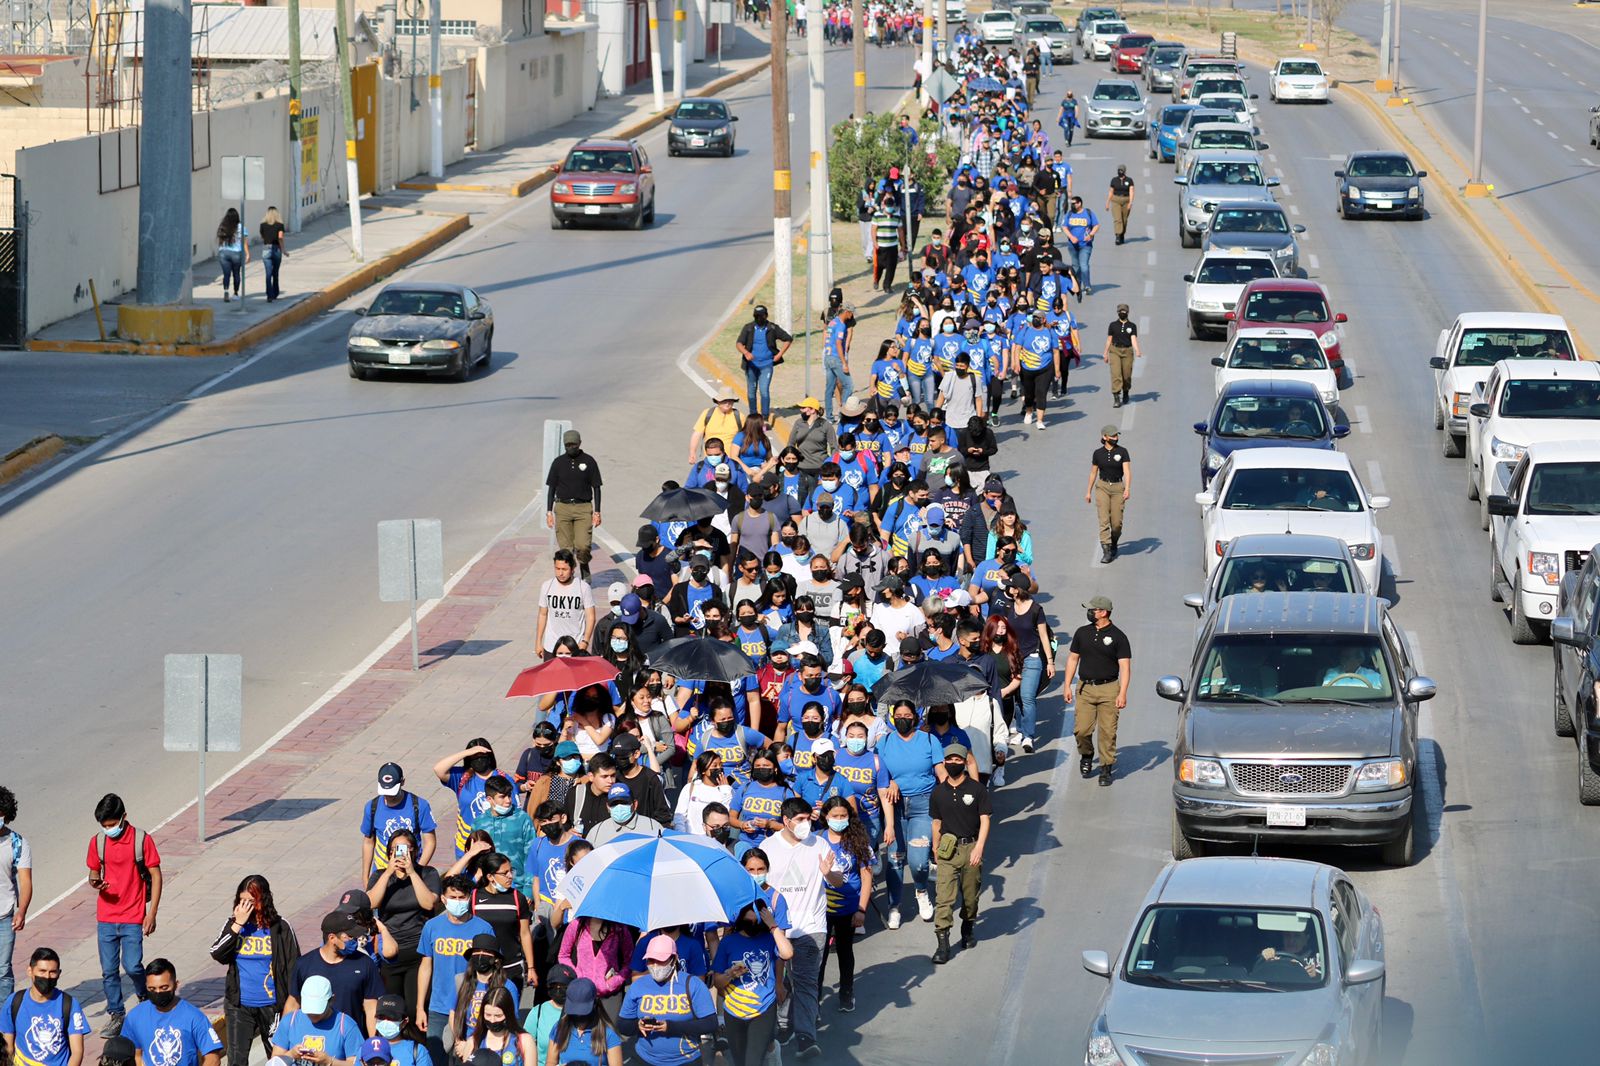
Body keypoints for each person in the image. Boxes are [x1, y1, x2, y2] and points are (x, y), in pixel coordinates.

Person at [761, 798, 837, 1059]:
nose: (806, 824)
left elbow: (837, 879)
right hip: (777, 929)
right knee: (779, 982)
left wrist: (829, 874)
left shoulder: (820, 843)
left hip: (811, 927)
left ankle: (806, 1036)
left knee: (805, 981)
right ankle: (783, 1024)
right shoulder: (768, 847)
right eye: (800, 820)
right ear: (786, 821)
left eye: (809, 819)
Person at [86, 793, 161, 1036]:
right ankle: (116, 1014)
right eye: (104, 826)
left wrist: (152, 913)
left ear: (123, 818)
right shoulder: (98, 842)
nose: (108, 829)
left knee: (132, 965)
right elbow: (93, 873)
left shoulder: (141, 840)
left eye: (112, 824)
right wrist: (95, 882)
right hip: (106, 916)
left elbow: (156, 876)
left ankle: (143, 994)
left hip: (133, 916)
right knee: (109, 971)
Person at [208, 875, 300, 1065]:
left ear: (263, 900)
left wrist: (290, 1008)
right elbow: (217, 953)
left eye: (252, 901)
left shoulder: (280, 927)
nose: (247, 907)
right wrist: (237, 925)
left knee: (277, 1058)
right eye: (243, 901)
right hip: (239, 1006)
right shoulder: (233, 925)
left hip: (272, 1005)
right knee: (236, 1060)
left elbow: (295, 968)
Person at [877, 701, 946, 930]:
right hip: (894, 807)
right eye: (899, 715)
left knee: (918, 860)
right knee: (895, 859)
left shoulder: (929, 740)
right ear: (893, 718)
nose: (903, 718)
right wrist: (892, 782)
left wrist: (952, 794)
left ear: (915, 718)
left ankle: (922, 890)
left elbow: (940, 771)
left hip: (922, 805)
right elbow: (881, 773)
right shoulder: (885, 742)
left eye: (908, 715)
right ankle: (894, 907)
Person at [415, 876, 492, 1063]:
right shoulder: (432, 926)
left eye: (462, 897)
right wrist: (420, 1007)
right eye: (453, 897)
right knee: (436, 1059)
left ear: (470, 898)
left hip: (472, 1008)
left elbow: (491, 970)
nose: (457, 902)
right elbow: (426, 966)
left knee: (467, 1060)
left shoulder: (484, 928)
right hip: (438, 1008)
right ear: (443, 898)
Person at [928, 744, 992, 964]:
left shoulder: (977, 790)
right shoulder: (938, 792)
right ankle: (943, 945)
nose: (953, 763)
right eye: (949, 760)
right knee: (943, 898)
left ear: (965, 763)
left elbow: (985, 819)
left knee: (970, 896)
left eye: (958, 760)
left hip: (970, 848)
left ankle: (968, 926)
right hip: (948, 850)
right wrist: (935, 847)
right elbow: (936, 822)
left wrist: (979, 847)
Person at [711, 898, 792, 1066]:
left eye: (757, 920)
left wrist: (773, 926)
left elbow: (787, 953)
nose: (753, 924)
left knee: (753, 1061)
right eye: (749, 920)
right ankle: (772, 1048)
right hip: (734, 1011)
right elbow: (717, 982)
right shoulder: (728, 942)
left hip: (763, 1008)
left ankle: (770, 1048)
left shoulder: (769, 938)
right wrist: (730, 974)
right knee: (740, 1061)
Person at [367, 828, 440, 1016]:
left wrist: (412, 872)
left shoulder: (427, 873)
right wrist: (388, 872)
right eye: (395, 849)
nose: (399, 853)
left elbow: (428, 903)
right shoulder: (380, 876)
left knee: (415, 1008)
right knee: (392, 1011)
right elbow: (371, 902)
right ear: (389, 852)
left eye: (405, 849)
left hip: (419, 951)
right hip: (390, 952)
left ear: (414, 851)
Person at [1064, 596, 1133, 786]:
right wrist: (1067, 685)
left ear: (1103, 612)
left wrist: (1122, 693)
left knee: (1107, 732)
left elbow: (1125, 667)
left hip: (1109, 689)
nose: (1090, 612)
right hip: (1085, 688)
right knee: (1081, 730)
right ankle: (1086, 754)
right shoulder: (1082, 633)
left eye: (1093, 610)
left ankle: (1105, 767)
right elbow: (1072, 659)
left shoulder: (1119, 637)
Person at [615, 935, 717, 1065]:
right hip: (645, 1060)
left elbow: (711, 1023)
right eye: (650, 960)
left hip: (686, 1060)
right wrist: (637, 1025)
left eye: (660, 960)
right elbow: (623, 1025)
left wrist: (671, 1027)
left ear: (674, 959)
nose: (655, 965)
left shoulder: (693, 984)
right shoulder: (638, 986)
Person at [286, 910, 384, 1039]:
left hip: (351, 1039)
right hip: (312, 1039)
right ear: (332, 938)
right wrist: (283, 1040)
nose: (355, 939)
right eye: (349, 936)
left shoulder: (364, 963)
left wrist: (373, 1043)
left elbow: (371, 1007)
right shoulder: (304, 965)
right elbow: (293, 1003)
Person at [817, 799, 872, 1013]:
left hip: (848, 908)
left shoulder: (857, 841)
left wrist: (861, 910)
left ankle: (846, 992)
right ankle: (815, 997)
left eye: (843, 816)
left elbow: (866, 878)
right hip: (820, 909)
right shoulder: (816, 840)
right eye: (835, 816)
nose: (839, 820)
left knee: (844, 951)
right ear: (826, 816)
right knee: (819, 956)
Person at [121, 960, 222, 1066]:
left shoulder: (194, 1017)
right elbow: (135, 1055)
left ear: (176, 985)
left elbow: (213, 1058)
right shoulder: (135, 1016)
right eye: (152, 989)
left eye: (164, 988)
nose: (158, 992)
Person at [0, 947, 88, 1066]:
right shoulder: (14, 1001)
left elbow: (77, 1052)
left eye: (52, 972)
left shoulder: (69, 1004)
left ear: (59, 973)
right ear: (30, 971)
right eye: (42, 971)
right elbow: (8, 1048)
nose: (47, 977)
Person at [1001, 575, 1053, 753]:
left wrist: (1050, 662)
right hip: (1012, 658)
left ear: (1017, 590)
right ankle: (1021, 731)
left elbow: (1044, 636)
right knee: (1016, 698)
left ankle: (1029, 736)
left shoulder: (1036, 610)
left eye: (1011, 587)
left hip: (1032, 657)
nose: (1008, 589)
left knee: (1027, 697)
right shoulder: (1009, 607)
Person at [362, 763, 439, 880]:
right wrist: (365, 877)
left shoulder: (419, 805)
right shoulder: (372, 807)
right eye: (384, 791)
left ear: (402, 782)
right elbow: (368, 842)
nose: (387, 796)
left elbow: (430, 842)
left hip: (410, 871)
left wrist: (417, 871)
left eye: (392, 791)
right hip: (382, 873)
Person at [544, 431, 603, 580]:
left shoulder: (589, 461)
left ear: (580, 443)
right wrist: (549, 512)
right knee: (566, 549)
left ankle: (584, 564)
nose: (571, 447)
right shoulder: (558, 463)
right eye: (568, 445)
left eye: (573, 445)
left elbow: (596, 487)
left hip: (583, 508)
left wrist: (597, 512)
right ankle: (569, 577)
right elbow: (551, 488)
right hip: (563, 508)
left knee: (583, 546)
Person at [271, 976, 363, 1066]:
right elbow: (274, 1062)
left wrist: (329, 1062)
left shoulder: (346, 1025)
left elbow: (358, 1063)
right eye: (309, 1009)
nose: (312, 1014)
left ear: (332, 1000)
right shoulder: (290, 1021)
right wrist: (291, 1055)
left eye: (317, 1010)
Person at [555, 917, 633, 1023]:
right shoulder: (577, 925)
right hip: (581, 991)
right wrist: (577, 976)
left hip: (610, 994)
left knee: (607, 1035)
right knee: (578, 1033)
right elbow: (563, 956)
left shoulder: (620, 929)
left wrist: (613, 982)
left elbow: (630, 961)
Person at [543, 977, 621, 1065]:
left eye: (582, 1011)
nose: (578, 1015)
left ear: (595, 1004)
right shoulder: (559, 1028)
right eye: (575, 1010)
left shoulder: (608, 1033)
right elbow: (551, 1062)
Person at [735, 306, 793, 419]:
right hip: (751, 366)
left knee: (764, 390)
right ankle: (753, 415)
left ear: (766, 316)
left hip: (766, 365)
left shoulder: (772, 328)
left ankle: (764, 417)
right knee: (751, 391)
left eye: (761, 316)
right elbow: (739, 343)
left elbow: (788, 339)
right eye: (756, 317)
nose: (759, 319)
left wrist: (779, 354)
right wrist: (746, 353)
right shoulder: (748, 328)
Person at [536, 551, 596, 659]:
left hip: (575, 647)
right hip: (551, 647)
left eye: (564, 569)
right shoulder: (546, 586)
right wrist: (538, 641)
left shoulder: (583, 588)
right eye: (557, 569)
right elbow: (542, 614)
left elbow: (590, 616)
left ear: (572, 569)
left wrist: (585, 641)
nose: (560, 573)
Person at [0, 785, 29, 1003]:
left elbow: (25, 881)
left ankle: (3, 1021)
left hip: (5, 915)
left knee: (2, 971)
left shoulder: (18, 844)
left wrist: (22, 910)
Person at [1085, 425, 1132, 563]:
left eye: (1117, 436)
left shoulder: (1123, 452)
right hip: (1102, 487)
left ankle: (1114, 541)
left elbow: (1127, 471)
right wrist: (1088, 491)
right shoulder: (1097, 453)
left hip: (1118, 487)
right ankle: (1106, 551)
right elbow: (1093, 472)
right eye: (1112, 436)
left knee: (1116, 523)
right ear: (1105, 437)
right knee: (1104, 520)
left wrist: (1127, 488)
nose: (1115, 438)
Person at [585, 782, 663, 848]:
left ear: (635, 804)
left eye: (624, 802)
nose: (619, 806)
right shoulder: (596, 833)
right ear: (608, 807)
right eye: (614, 803)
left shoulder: (653, 827)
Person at [524, 965, 572, 1066]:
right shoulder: (537, 1012)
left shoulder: (580, 1013)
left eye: (563, 986)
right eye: (554, 986)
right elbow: (524, 1047)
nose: (558, 989)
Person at [1104, 303, 1141, 409]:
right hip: (1115, 350)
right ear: (1117, 313)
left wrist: (1137, 350)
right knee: (1116, 374)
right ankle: (1116, 397)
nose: (1122, 313)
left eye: (1124, 311)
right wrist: (1105, 353)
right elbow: (1109, 340)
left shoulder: (1132, 326)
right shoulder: (1112, 325)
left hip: (1127, 351)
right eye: (1120, 312)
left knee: (1126, 375)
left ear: (1127, 313)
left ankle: (1126, 391)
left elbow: (1133, 339)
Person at [822, 307, 856, 423]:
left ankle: (829, 417)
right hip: (836, 358)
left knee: (829, 388)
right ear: (847, 312)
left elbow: (826, 336)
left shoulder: (832, 321)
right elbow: (838, 343)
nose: (852, 316)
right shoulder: (841, 325)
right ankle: (843, 413)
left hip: (827, 356)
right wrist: (844, 362)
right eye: (851, 313)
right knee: (849, 385)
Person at [1061, 196, 1098, 298]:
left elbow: (1096, 225)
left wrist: (1091, 235)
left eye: (1074, 203)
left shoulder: (1088, 213)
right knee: (1075, 266)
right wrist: (1071, 237)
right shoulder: (1069, 214)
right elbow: (1064, 227)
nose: (1072, 205)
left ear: (1079, 203)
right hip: (1073, 245)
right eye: (1071, 203)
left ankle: (1087, 285)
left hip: (1085, 245)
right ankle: (1077, 283)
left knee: (1084, 265)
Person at [216, 208, 249, 302]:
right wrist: (247, 254)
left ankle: (226, 291)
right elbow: (244, 242)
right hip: (236, 253)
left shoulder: (223, 226)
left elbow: (220, 240)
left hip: (224, 253)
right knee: (236, 274)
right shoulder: (241, 227)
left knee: (226, 274)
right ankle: (235, 293)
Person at [259, 206, 287, 301]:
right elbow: (280, 238)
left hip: (266, 249)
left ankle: (269, 295)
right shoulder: (280, 225)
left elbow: (262, 237)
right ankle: (275, 292)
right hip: (276, 249)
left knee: (268, 273)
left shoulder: (263, 225)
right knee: (275, 273)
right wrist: (283, 250)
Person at [1106, 164, 1136, 244]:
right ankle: (1118, 236)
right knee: (1117, 219)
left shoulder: (1129, 180)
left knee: (1124, 220)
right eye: (1119, 170)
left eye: (1121, 170)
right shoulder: (1114, 180)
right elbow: (1111, 192)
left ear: (1124, 171)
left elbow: (1131, 191)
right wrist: (1107, 203)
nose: (1120, 172)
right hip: (1116, 200)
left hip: (1126, 200)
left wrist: (1130, 202)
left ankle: (1122, 234)